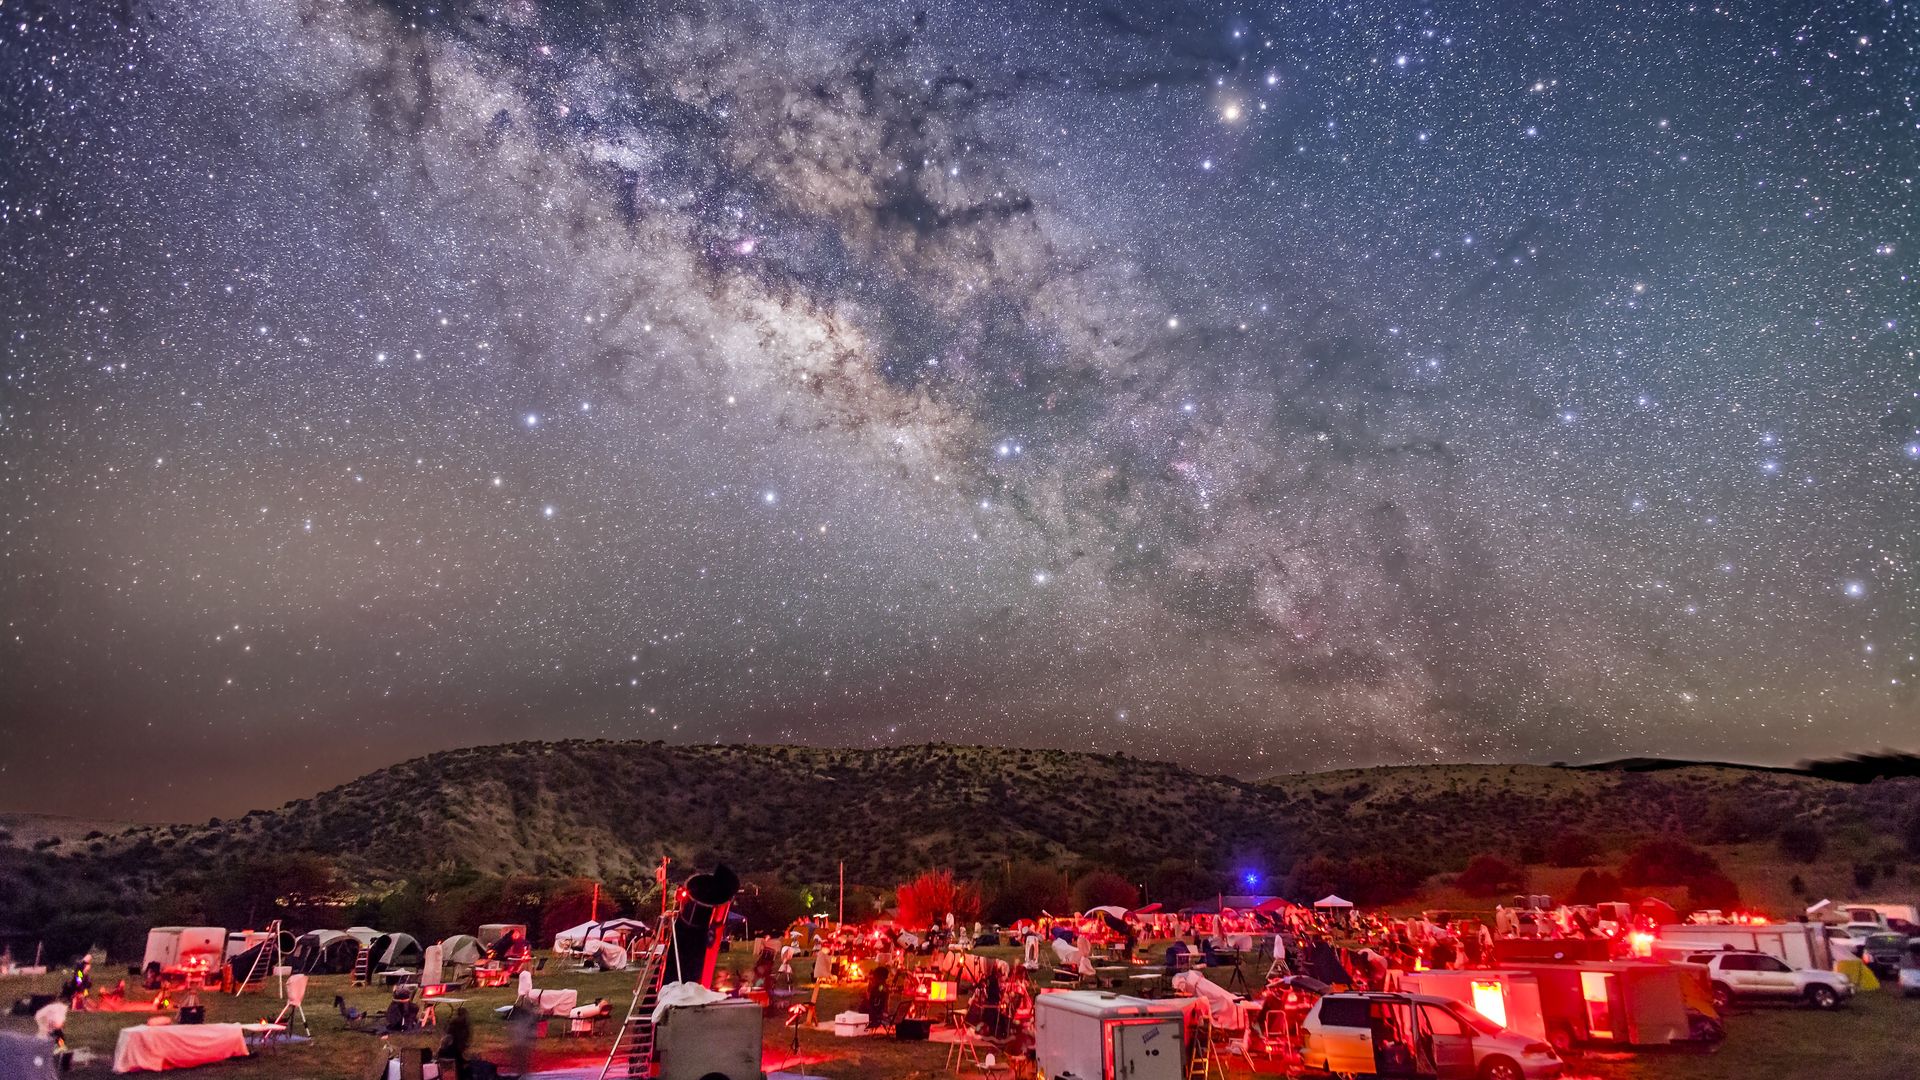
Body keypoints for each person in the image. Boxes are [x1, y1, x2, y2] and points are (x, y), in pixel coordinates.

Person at [438, 1006, 472, 1080]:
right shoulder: (455, 1050)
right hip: (456, 1070)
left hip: (446, 1070)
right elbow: (461, 1061)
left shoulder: (441, 1050)